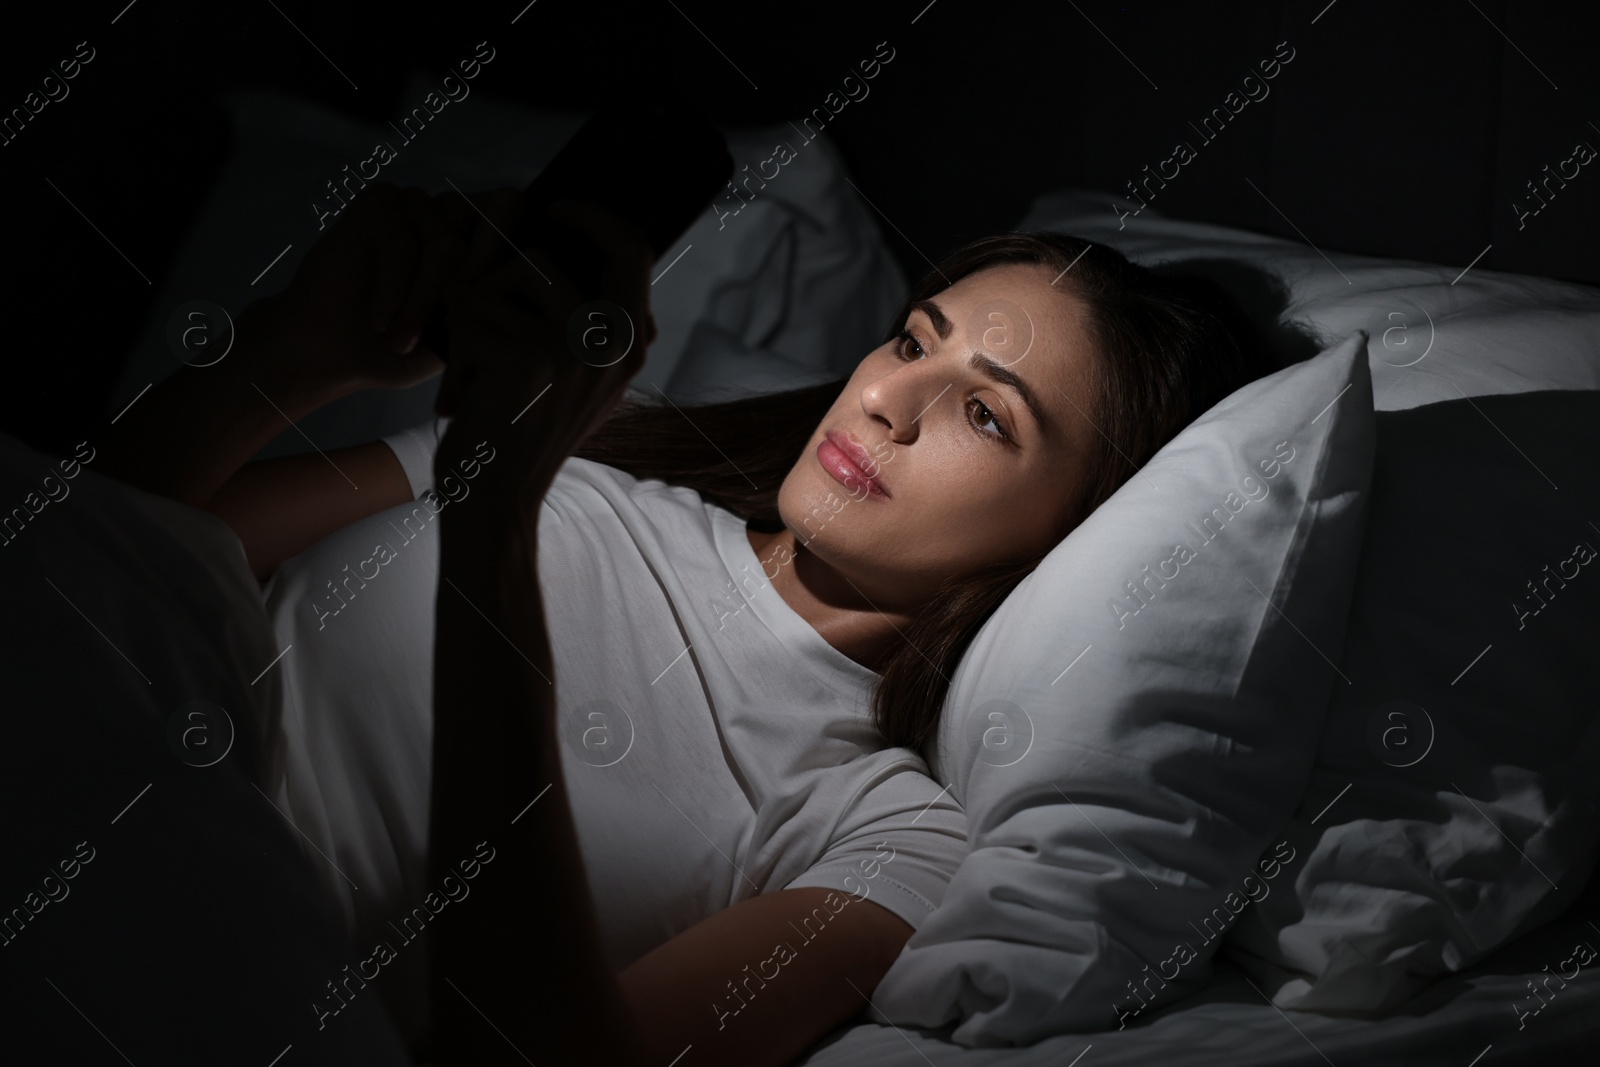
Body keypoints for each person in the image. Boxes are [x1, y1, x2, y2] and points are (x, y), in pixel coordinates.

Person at [95, 182, 1271, 1065]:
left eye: (983, 412)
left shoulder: (899, 841)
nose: (885, 399)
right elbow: (94, 561)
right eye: (912, 339)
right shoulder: (595, 457)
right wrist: (292, 351)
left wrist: (491, 514)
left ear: (1073, 534)